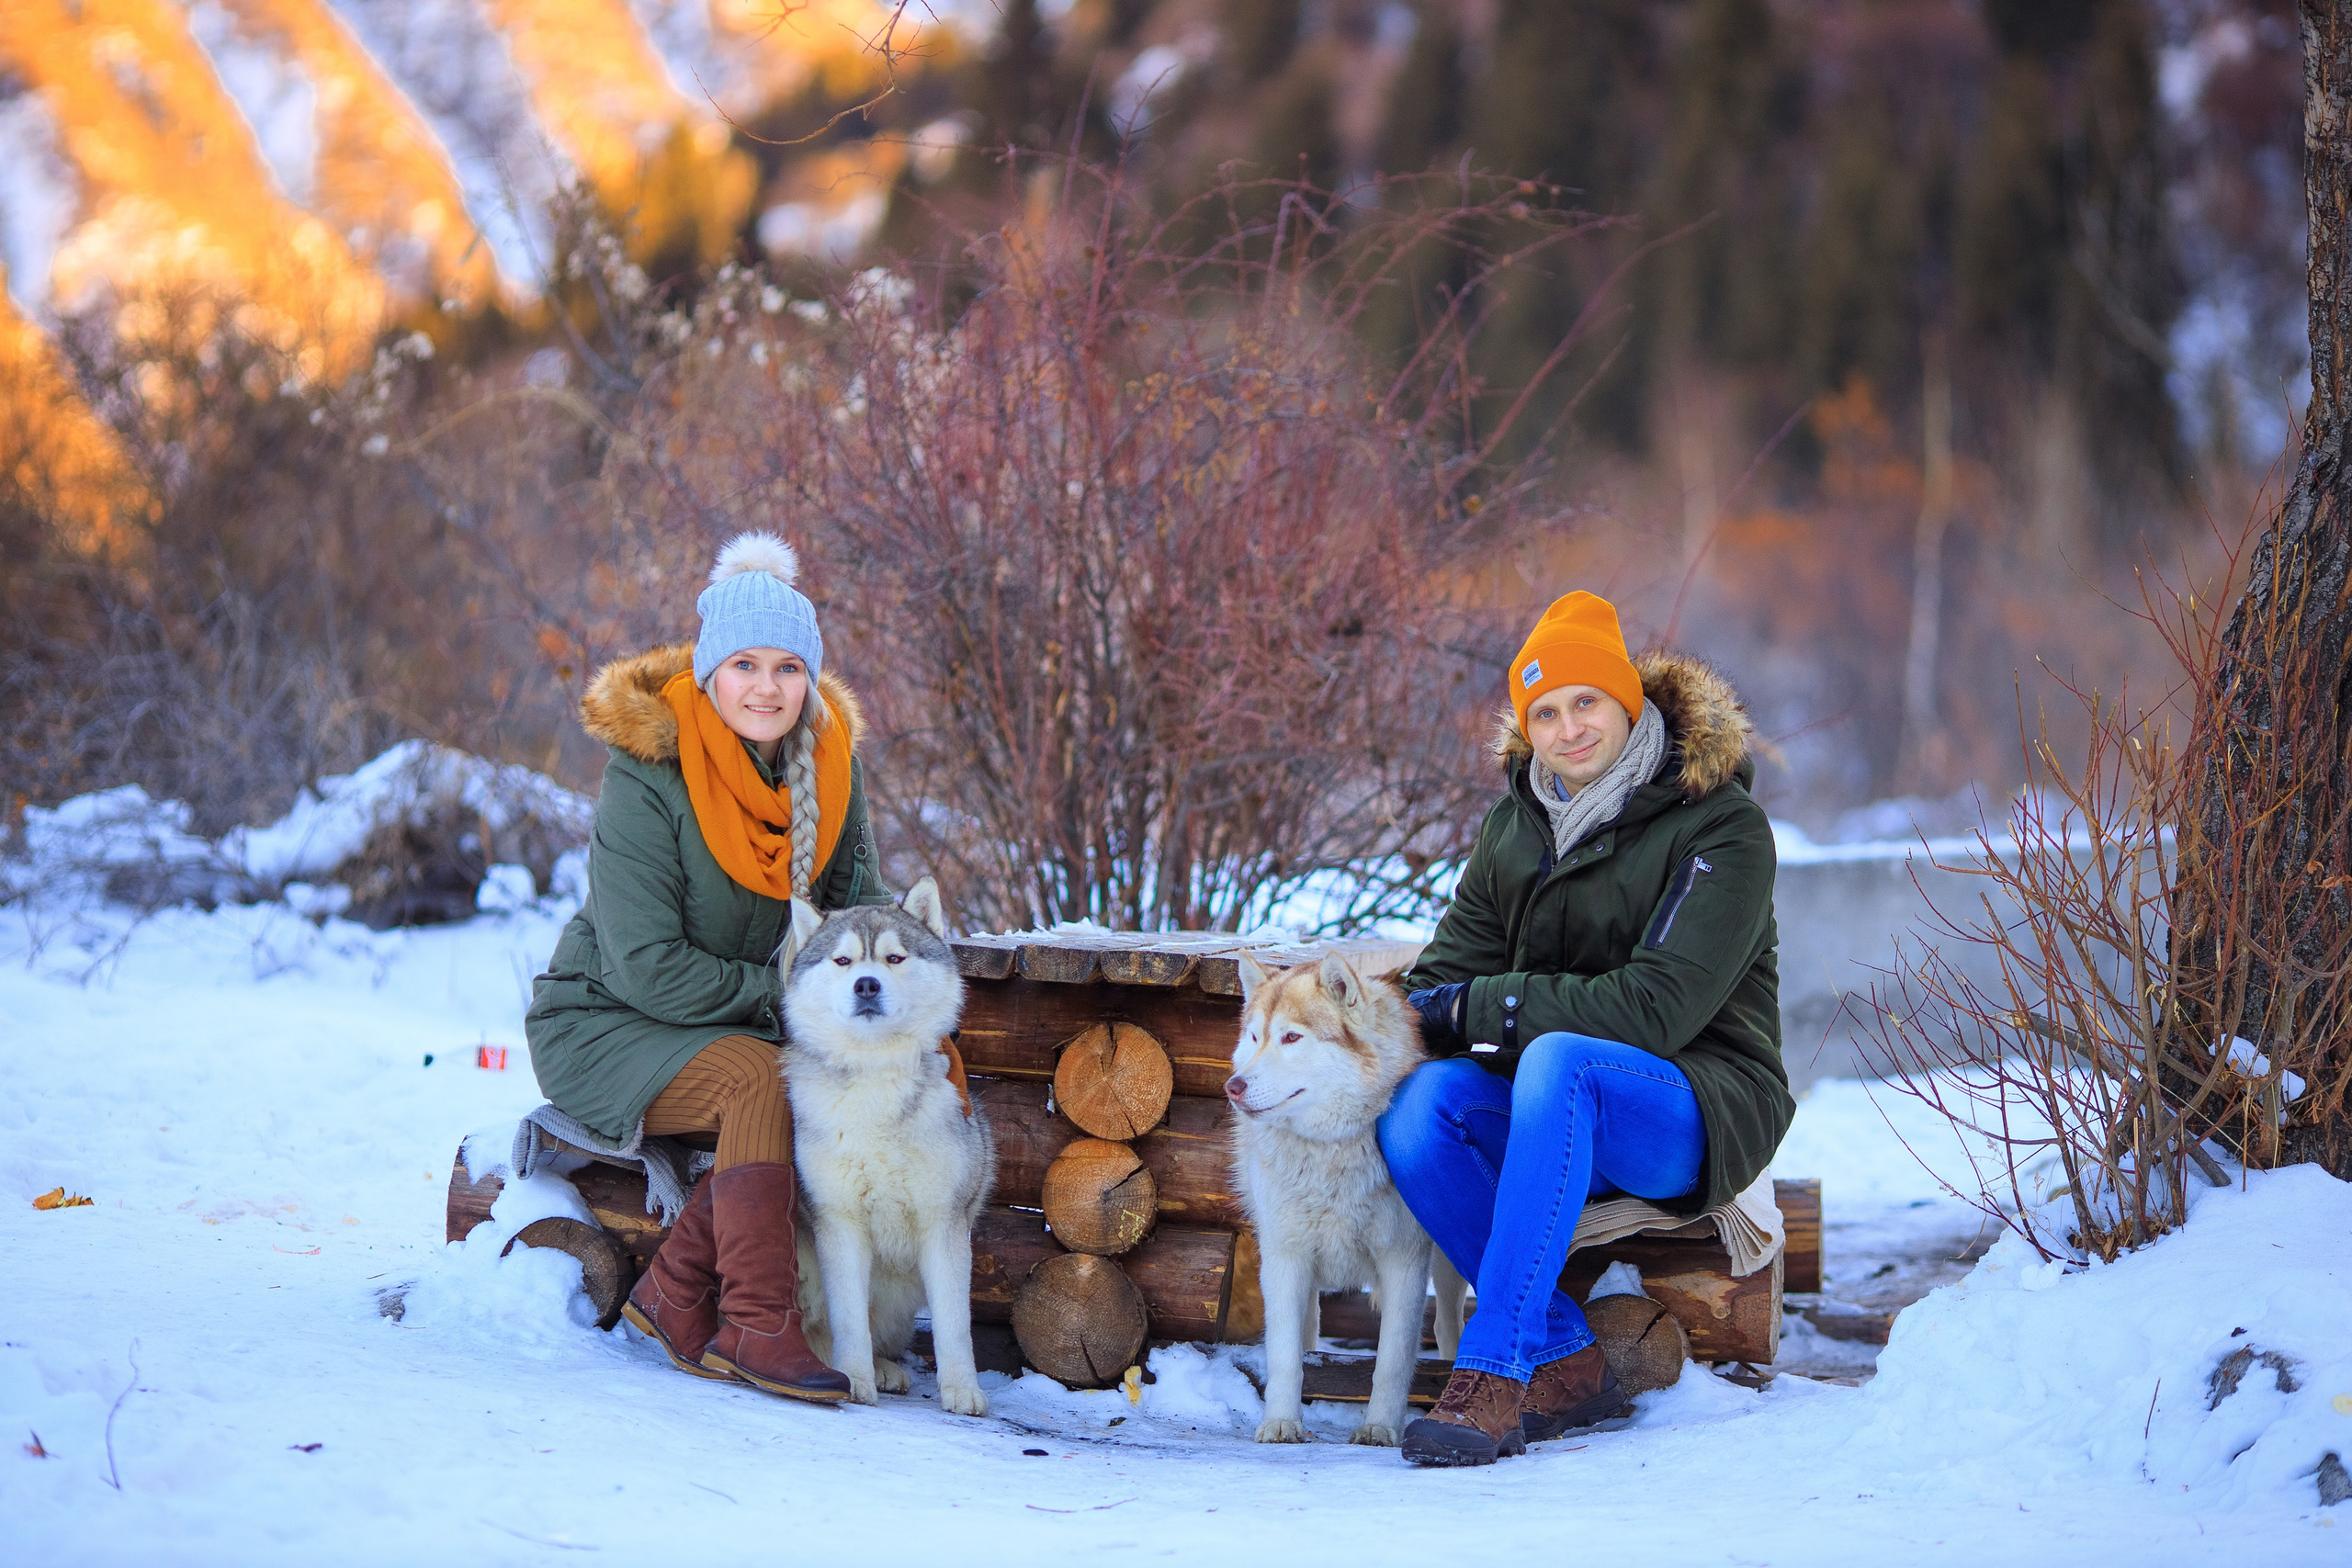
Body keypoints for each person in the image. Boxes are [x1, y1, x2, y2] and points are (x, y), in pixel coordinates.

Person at [1380, 591, 1791, 1467]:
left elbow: (1657, 1009)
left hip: (1699, 1101)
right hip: (1551, 1100)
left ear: (1628, 701)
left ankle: (1491, 1368)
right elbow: (1443, 982)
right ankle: (1565, 1357)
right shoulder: (1514, 827)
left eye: (1586, 702)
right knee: (1421, 1105)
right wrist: (1421, 1015)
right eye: (1547, 711)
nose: (1568, 729)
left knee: (1561, 1060)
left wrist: (1492, 1007)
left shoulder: (1722, 825)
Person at [524, 532, 892, 1402]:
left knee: (826, 1073)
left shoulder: (829, 766)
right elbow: (647, 967)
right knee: (766, 1078)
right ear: (708, 671)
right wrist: (787, 1003)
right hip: (605, 1019)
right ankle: (756, 1323)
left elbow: (858, 912)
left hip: (725, 1020)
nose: (767, 688)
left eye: (788, 668)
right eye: (745, 666)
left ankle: (674, 1289)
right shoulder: (648, 775)